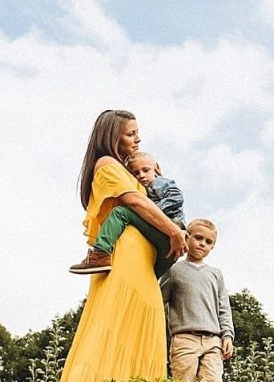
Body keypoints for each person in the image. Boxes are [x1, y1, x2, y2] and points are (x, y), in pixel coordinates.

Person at [59, 110, 188, 382]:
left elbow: (151, 198)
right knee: (116, 326)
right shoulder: (107, 163)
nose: (138, 139)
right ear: (112, 136)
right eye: (131, 133)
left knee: (142, 326)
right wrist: (174, 231)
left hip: (142, 263)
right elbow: (135, 202)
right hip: (124, 260)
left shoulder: (129, 169)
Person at [69, 150, 187, 277]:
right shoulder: (143, 189)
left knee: (120, 213)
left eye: (146, 170)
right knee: (147, 277)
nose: (141, 175)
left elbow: (176, 198)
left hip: (171, 228)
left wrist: (152, 212)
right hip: (166, 250)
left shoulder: (160, 182)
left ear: (157, 168)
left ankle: (100, 253)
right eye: (136, 173)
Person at [160, 218, 235, 382]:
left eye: (208, 242)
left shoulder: (215, 274)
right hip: (184, 338)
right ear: (187, 237)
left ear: (212, 247)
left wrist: (227, 336)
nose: (202, 244)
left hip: (213, 341)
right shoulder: (173, 270)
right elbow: (158, 303)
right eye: (198, 238)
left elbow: (224, 308)